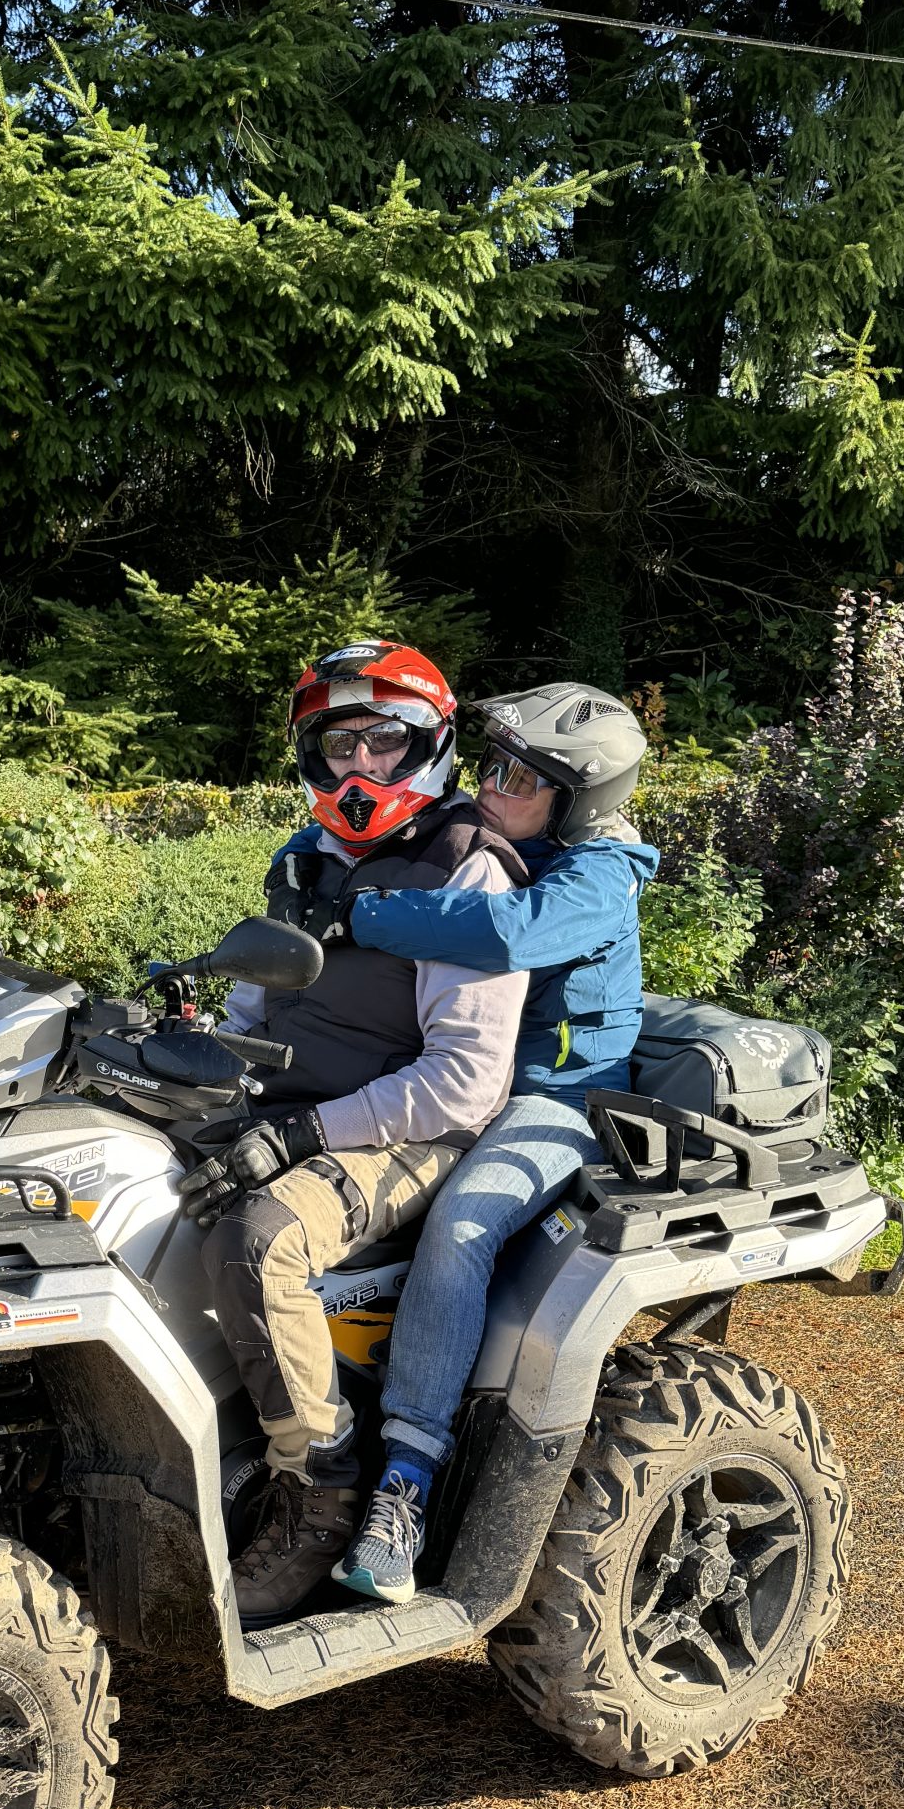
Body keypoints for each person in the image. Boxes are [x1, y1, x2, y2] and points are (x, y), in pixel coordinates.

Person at [273, 683, 655, 1606]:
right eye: (489, 765)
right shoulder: (481, 842)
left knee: (460, 1227)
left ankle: (403, 1486)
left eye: (519, 778)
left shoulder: (599, 873)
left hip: (554, 1100)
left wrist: (357, 914)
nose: (490, 786)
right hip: (470, 1086)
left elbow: (505, 933)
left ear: (581, 800)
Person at [178, 642, 528, 1626]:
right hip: (292, 1112)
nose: (360, 766)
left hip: (409, 1131)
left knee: (259, 1239)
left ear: (430, 747)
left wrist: (303, 1135)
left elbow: (465, 1082)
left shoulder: (468, 872)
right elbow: (252, 1010)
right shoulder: (304, 859)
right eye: (340, 745)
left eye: (385, 742)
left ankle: (322, 1486)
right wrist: (181, 1051)